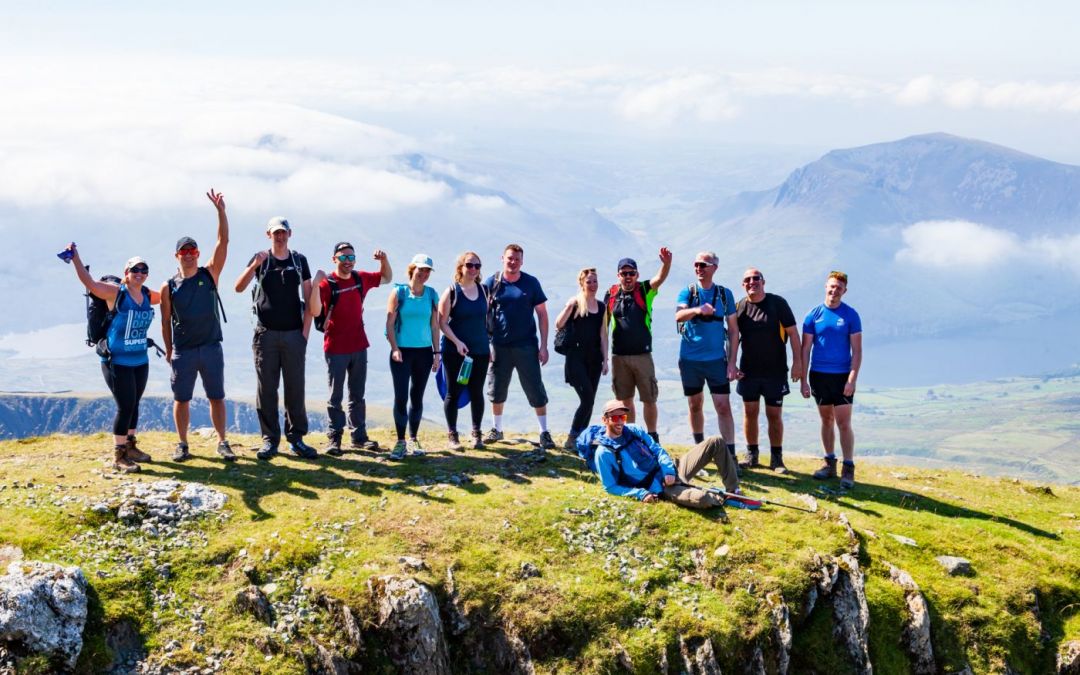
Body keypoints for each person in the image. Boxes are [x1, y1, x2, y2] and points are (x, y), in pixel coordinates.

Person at [68, 246, 158, 473]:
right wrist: (76, 259)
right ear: (126, 272)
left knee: (135, 403)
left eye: (143, 269)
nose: (139, 272)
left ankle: (131, 446)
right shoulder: (116, 293)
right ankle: (119, 456)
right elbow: (90, 284)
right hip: (116, 361)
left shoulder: (147, 295)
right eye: (134, 269)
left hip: (140, 360)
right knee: (125, 406)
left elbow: (170, 294)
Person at [160, 189, 233, 462]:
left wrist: (221, 212)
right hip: (184, 350)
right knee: (181, 399)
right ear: (176, 255)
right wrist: (169, 350)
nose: (189, 255)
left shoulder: (210, 274)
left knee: (217, 396)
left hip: (211, 346)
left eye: (192, 251)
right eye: (184, 251)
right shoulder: (168, 287)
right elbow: (165, 322)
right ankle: (182, 444)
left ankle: (223, 442)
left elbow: (223, 241)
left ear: (198, 253)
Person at [234, 216, 315, 460]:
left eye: (283, 232)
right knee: (266, 389)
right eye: (275, 232)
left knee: (295, 389)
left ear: (290, 233)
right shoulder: (261, 259)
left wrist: (304, 335)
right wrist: (253, 266)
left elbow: (310, 299)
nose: (280, 236)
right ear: (268, 234)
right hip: (265, 334)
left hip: (293, 334)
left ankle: (296, 439)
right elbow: (238, 287)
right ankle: (269, 440)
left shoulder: (299, 261)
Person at [308, 242, 392, 456]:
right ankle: (334, 439)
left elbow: (386, 278)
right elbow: (315, 310)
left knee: (357, 394)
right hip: (335, 347)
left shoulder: (359, 278)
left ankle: (359, 438)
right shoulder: (327, 284)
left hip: (358, 345)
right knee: (335, 396)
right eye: (343, 257)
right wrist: (317, 285)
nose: (348, 261)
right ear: (334, 259)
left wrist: (384, 261)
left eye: (351, 257)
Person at [575, 399, 740, 507]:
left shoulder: (633, 430)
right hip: (658, 488)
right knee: (702, 499)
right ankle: (719, 497)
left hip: (672, 470)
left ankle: (732, 491)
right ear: (605, 420)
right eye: (615, 418)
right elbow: (610, 487)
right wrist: (641, 493)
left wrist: (668, 470)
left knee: (716, 441)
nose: (620, 422)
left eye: (622, 417)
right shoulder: (604, 453)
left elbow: (657, 449)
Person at [483, 244, 556, 451]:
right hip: (499, 345)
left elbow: (542, 313)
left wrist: (543, 346)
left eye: (516, 259)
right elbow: (483, 313)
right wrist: (485, 343)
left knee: (535, 388)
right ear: (502, 258)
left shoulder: (531, 283)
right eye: (509, 258)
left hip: (527, 345)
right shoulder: (493, 282)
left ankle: (544, 432)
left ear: (522, 261)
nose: (513, 262)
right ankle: (497, 429)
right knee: (496, 388)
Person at [733, 267, 802, 473]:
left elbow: (794, 335)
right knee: (750, 412)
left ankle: (777, 459)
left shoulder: (777, 303)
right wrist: (732, 365)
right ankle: (752, 455)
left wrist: (798, 363)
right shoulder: (740, 307)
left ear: (763, 281)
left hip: (775, 371)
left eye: (756, 278)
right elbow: (734, 338)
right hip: (748, 371)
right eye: (747, 279)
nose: (752, 282)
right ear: (743, 284)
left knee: (774, 414)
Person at [674, 251, 739, 463]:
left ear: (714, 268)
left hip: (716, 360)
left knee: (723, 406)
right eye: (696, 265)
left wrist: (731, 363)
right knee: (694, 404)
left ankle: (730, 455)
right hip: (690, 359)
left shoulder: (724, 294)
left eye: (703, 265)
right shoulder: (688, 292)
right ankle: (699, 451)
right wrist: (698, 310)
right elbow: (679, 315)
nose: (699, 269)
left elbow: (733, 331)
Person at [801, 271, 863, 488]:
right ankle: (829, 463)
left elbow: (857, 351)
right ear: (825, 287)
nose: (834, 290)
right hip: (818, 375)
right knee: (826, 420)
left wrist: (852, 379)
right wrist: (803, 380)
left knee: (844, 423)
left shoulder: (851, 315)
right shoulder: (813, 315)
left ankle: (848, 467)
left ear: (844, 291)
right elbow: (805, 349)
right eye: (831, 286)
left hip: (842, 377)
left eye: (839, 288)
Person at [605, 248, 672, 442]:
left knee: (649, 398)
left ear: (637, 274)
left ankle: (652, 435)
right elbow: (604, 325)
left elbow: (659, 279)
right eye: (624, 273)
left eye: (631, 273)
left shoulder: (644, 289)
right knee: (625, 400)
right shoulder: (611, 294)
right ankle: (631, 434)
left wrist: (666, 264)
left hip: (643, 355)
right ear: (618, 275)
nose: (628, 277)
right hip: (619, 356)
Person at [385, 254, 441, 460]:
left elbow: (435, 326)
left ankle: (413, 438)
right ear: (412, 269)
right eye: (421, 269)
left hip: (424, 353)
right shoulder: (398, 292)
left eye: (427, 271)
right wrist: (394, 348)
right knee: (401, 397)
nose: (424, 274)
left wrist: (437, 354)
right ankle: (400, 442)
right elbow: (389, 324)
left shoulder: (431, 294)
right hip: (402, 352)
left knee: (417, 396)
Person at [438, 251, 491, 451]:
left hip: (480, 350)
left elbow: (485, 321)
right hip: (456, 352)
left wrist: (489, 345)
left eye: (477, 266)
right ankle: (452, 435)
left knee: (477, 391)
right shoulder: (452, 292)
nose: (473, 269)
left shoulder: (484, 291)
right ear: (461, 267)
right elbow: (442, 323)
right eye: (469, 265)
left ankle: (476, 433)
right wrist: (457, 342)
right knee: (454, 391)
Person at [554, 267, 608, 449]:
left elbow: (603, 335)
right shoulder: (576, 304)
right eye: (589, 282)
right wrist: (569, 306)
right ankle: (572, 436)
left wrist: (606, 360)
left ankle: (581, 438)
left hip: (594, 359)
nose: (592, 285)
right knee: (586, 399)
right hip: (575, 357)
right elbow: (558, 323)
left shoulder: (601, 307)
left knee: (590, 400)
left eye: (595, 281)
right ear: (582, 284)